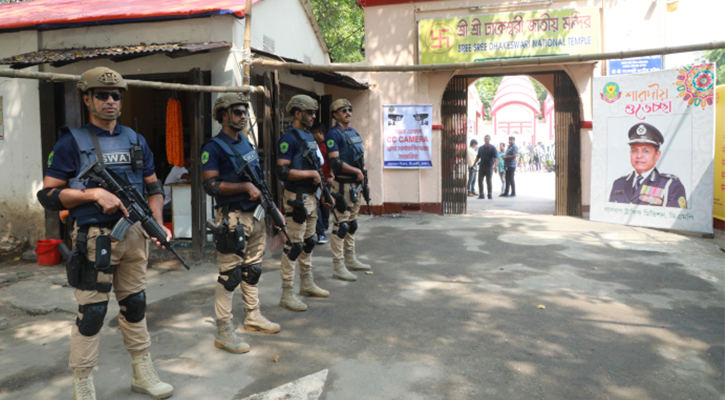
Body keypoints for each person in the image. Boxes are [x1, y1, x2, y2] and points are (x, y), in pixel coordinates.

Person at [36, 67, 173, 400]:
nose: (110, 101)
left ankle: (142, 372)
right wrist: (91, 195)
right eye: (102, 95)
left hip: (135, 236)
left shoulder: (135, 139)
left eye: (116, 95)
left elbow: (154, 187)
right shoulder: (71, 142)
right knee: (93, 313)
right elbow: (48, 195)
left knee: (135, 305)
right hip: (94, 238)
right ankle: (83, 382)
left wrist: (156, 223)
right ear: (87, 99)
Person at [200, 93, 281, 355]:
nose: (243, 116)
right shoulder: (212, 147)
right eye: (237, 112)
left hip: (255, 216)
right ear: (223, 115)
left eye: (245, 112)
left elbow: (259, 183)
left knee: (253, 270)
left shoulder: (245, 141)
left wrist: (273, 211)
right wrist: (243, 186)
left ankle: (253, 316)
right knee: (230, 276)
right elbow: (210, 184)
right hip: (233, 218)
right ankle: (224, 330)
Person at [276, 95, 330, 312]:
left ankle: (307, 284)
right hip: (296, 199)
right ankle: (287, 294)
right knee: (293, 246)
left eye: (314, 112)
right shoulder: (288, 138)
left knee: (308, 243)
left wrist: (324, 192)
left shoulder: (309, 136)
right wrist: (310, 174)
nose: (314, 116)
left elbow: (318, 168)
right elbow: (282, 171)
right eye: (310, 112)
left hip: (311, 197)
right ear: (298, 113)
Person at [325, 99, 372, 281]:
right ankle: (338, 265)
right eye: (343, 110)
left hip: (356, 185)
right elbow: (335, 162)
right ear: (335, 114)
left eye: (350, 109)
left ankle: (350, 258)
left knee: (352, 223)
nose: (348, 112)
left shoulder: (353, 132)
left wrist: (365, 180)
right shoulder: (333, 134)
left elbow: (361, 158)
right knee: (341, 225)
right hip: (342, 186)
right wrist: (357, 172)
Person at [609, 122, 687, 208]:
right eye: (635, 150)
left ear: (657, 155)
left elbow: (677, 220)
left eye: (646, 151)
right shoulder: (618, 184)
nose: (639, 156)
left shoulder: (670, 185)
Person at [311, 122, 332, 245]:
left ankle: (322, 230)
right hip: (318, 181)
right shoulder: (316, 145)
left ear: (319, 132)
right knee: (319, 204)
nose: (313, 136)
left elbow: (333, 159)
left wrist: (331, 175)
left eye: (314, 133)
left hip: (324, 180)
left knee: (322, 204)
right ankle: (321, 231)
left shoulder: (327, 145)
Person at [474, 135, 498, 200]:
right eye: (485, 138)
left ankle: (489, 194)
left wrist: (495, 166)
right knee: (480, 180)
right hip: (482, 167)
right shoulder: (481, 148)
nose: (486, 139)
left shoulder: (493, 148)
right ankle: (481, 194)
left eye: (488, 138)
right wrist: (474, 164)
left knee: (489, 181)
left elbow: (496, 157)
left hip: (489, 167)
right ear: (484, 139)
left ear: (490, 140)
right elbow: (478, 157)